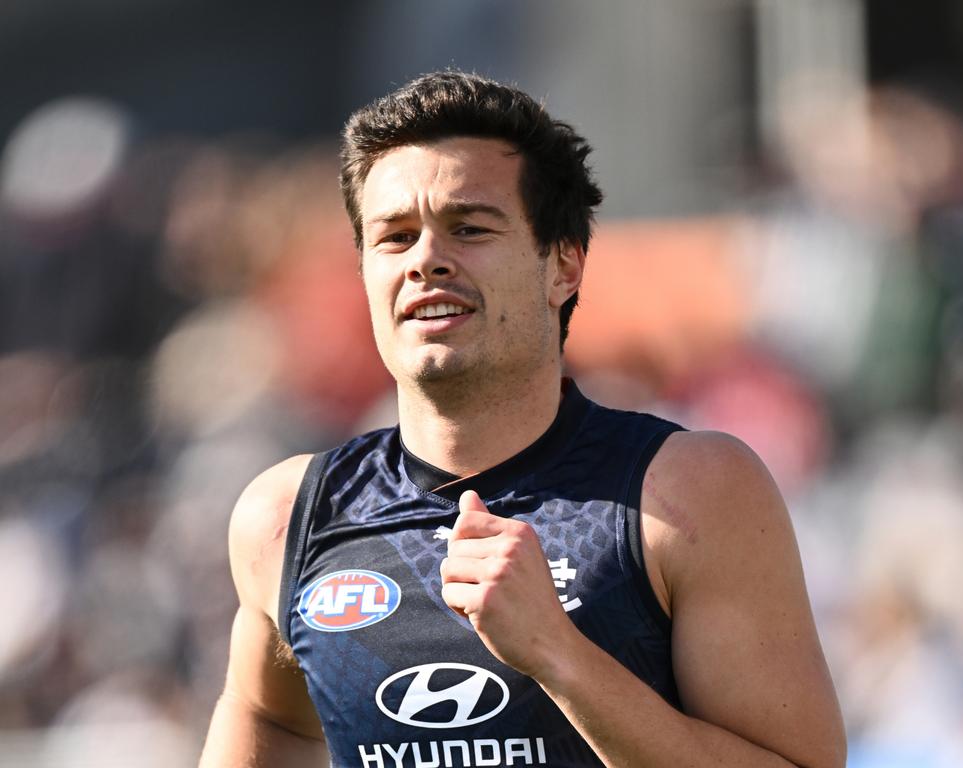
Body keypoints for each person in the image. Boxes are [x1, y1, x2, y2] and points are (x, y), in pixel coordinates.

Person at [199, 71, 845, 768]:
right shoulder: (287, 515)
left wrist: (558, 656)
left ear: (563, 266)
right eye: (394, 237)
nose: (425, 262)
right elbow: (270, 719)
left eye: (469, 227)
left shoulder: (685, 493)